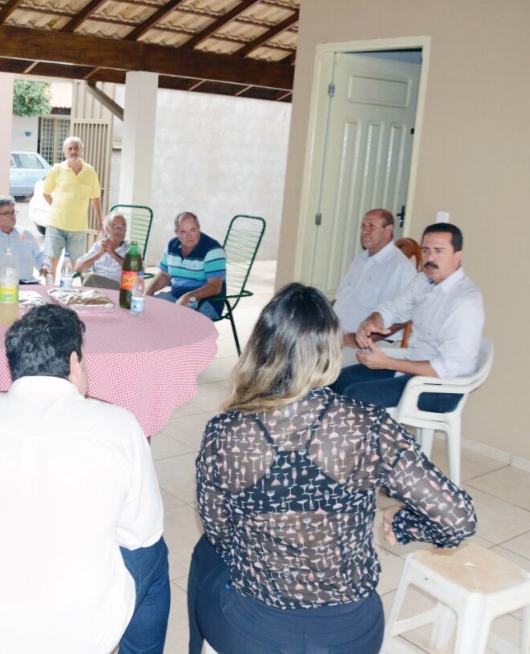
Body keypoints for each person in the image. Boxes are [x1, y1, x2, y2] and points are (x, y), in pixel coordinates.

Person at [188, 283, 477, 654]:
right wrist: (404, 523)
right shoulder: (368, 425)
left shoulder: (226, 432)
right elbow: (458, 520)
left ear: (259, 348)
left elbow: (219, 532)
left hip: (255, 632)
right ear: (329, 350)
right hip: (352, 635)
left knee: (205, 555)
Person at [0, 304, 169, 654]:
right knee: (154, 553)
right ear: (75, 362)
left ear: (13, 364)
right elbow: (142, 533)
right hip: (80, 637)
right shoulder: (121, 426)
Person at [330, 223, 485, 413]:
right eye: (426, 250)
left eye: (439, 251)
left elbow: (444, 370)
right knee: (336, 379)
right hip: (411, 369)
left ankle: (366, 442)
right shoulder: (423, 282)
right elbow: (392, 309)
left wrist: (387, 362)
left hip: (440, 388)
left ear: (457, 256)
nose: (430, 258)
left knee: (355, 395)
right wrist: (371, 322)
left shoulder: (464, 302)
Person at [333, 209, 417, 347]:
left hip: (371, 345)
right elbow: (339, 298)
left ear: (388, 230)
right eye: (363, 226)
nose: (365, 231)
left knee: (314, 365)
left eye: (371, 226)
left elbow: (403, 317)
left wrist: (360, 339)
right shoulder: (359, 260)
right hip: (337, 337)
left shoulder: (401, 267)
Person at [146, 212, 226, 321]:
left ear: (198, 228)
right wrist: (148, 292)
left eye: (193, 230)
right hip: (175, 298)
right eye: (183, 232)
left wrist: (189, 297)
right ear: (177, 233)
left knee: (174, 320)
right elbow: (164, 275)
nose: (189, 236)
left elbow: (215, 287)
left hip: (206, 303)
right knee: (145, 310)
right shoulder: (172, 246)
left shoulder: (212, 249)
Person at [42, 136, 103, 272]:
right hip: (56, 225)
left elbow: (95, 197)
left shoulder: (90, 171)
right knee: (51, 262)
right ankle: (49, 290)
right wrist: (57, 207)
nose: (73, 151)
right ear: (64, 152)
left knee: (76, 265)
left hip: (78, 228)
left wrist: (100, 221)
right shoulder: (57, 170)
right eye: (70, 148)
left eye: (76, 148)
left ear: (81, 150)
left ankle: (71, 292)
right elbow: (46, 193)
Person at [0, 196, 49, 284]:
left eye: (13, 213)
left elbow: (40, 254)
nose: (11, 217)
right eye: (6, 214)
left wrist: (45, 265)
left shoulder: (26, 234)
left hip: (28, 283)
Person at [74, 211, 130, 290]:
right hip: (97, 288)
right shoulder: (99, 246)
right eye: (114, 226)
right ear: (107, 229)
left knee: (90, 279)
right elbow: (78, 268)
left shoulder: (131, 248)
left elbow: (139, 270)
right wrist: (99, 254)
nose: (119, 230)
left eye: (123, 226)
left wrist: (113, 254)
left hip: (120, 290)